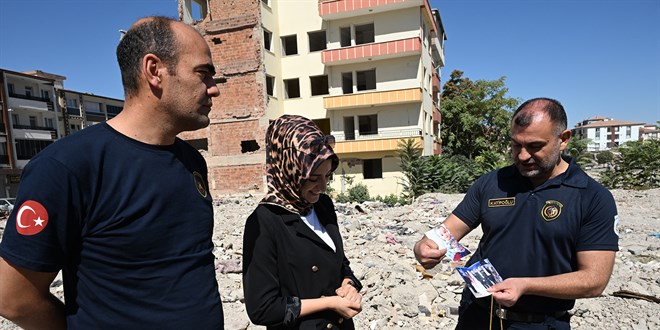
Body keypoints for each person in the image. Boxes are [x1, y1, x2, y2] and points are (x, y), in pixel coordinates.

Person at [0, 16, 224, 329]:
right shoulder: (68, 167)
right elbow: (13, 297)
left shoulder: (191, 162)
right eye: (204, 74)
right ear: (154, 70)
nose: (213, 89)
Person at [414, 98, 619, 329]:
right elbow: (446, 232)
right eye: (515, 145)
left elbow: (594, 281)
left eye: (534, 146)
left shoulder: (591, 197)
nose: (522, 156)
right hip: (477, 315)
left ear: (563, 140)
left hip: (541, 323)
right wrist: (424, 246)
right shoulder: (492, 183)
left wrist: (525, 286)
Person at [243, 115, 363, 329]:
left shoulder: (322, 206)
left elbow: (339, 263)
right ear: (288, 170)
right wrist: (330, 303)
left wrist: (348, 284)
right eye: (313, 178)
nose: (323, 186)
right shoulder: (265, 222)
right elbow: (262, 309)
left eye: (328, 176)